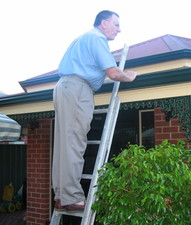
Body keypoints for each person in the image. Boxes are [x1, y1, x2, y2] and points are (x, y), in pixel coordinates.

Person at [52, 10, 139, 212]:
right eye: (116, 24)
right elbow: (113, 73)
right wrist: (130, 75)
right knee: (74, 142)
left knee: (64, 144)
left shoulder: (84, 38)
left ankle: (62, 196)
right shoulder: (97, 38)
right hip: (77, 89)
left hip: (65, 87)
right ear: (104, 23)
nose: (119, 29)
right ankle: (72, 197)